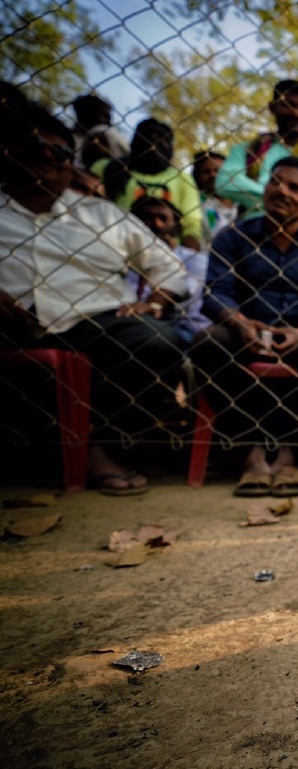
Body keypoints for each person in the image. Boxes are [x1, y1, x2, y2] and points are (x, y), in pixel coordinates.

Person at [0, 84, 188, 496]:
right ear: (10, 152)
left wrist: (153, 301)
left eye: (60, 152)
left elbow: (172, 270)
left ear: (74, 165)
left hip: (97, 317)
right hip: (12, 319)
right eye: (35, 148)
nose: (47, 157)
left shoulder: (102, 214)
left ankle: (102, 447)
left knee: (158, 340)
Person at [190, 156, 298, 497]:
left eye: (295, 188)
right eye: (275, 182)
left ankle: (292, 452)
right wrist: (240, 322)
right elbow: (215, 292)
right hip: (244, 329)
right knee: (207, 343)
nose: (282, 191)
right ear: (263, 191)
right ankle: (250, 450)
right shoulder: (232, 237)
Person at [215, 79, 298, 229]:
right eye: (288, 105)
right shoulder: (245, 152)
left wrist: (266, 195)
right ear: (272, 107)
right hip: (252, 235)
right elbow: (225, 183)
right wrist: (295, 198)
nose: (295, 113)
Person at [92, 118, 203, 251]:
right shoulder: (107, 168)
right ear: (133, 143)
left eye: (161, 140)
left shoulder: (183, 179)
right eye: (147, 138)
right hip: (114, 245)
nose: (153, 145)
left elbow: (192, 223)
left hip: (168, 250)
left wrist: (189, 257)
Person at [128, 196, 212, 345]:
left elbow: (187, 295)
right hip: (130, 324)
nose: (156, 224)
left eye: (163, 219)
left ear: (176, 228)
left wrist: (164, 256)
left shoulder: (195, 259)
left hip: (185, 328)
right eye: (147, 218)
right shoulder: (124, 259)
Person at [70, 93, 129, 170]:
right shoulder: (65, 137)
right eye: (104, 116)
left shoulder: (108, 133)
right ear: (86, 113)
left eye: (109, 118)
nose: (108, 122)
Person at [193, 150, 237, 252]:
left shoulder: (243, 203)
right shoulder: (199, 204)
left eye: (218, 171)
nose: (213, 175)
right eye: (206, 172)